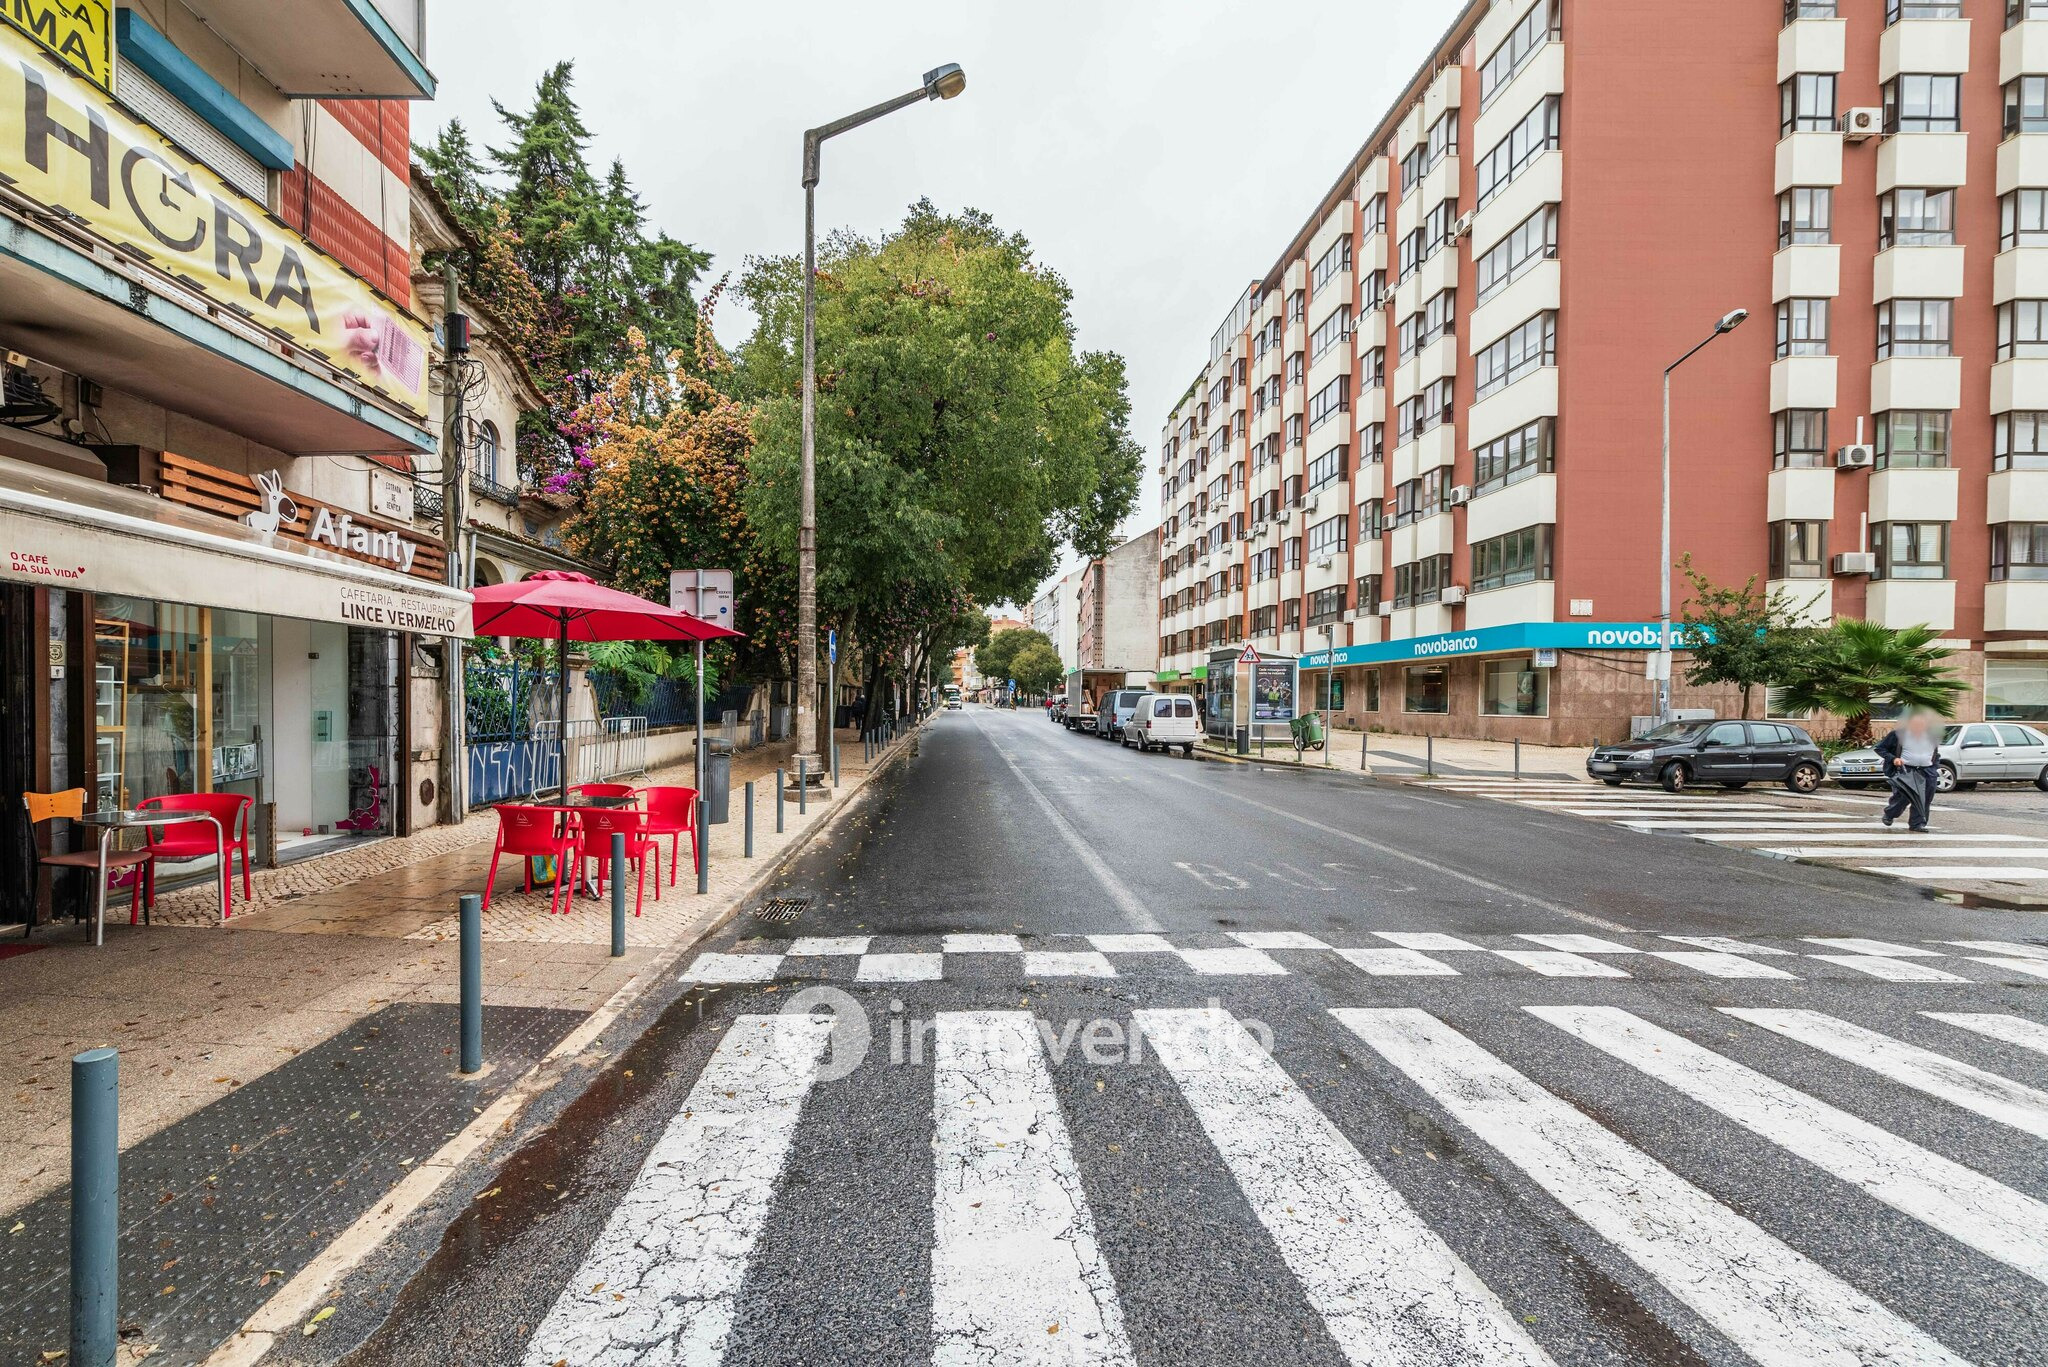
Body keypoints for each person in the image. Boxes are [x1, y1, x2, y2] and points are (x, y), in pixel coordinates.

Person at [1876, 710, 1942, 832]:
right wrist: (1894, 759)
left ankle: (1917, 824)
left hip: (1927, 771)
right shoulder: (1898, 735)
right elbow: (1880, 748)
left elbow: (1935, 753)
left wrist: (1934, 766)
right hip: (1907, 770)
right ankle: (1890, 814)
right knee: (1903, 796)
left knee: (1925, 798)